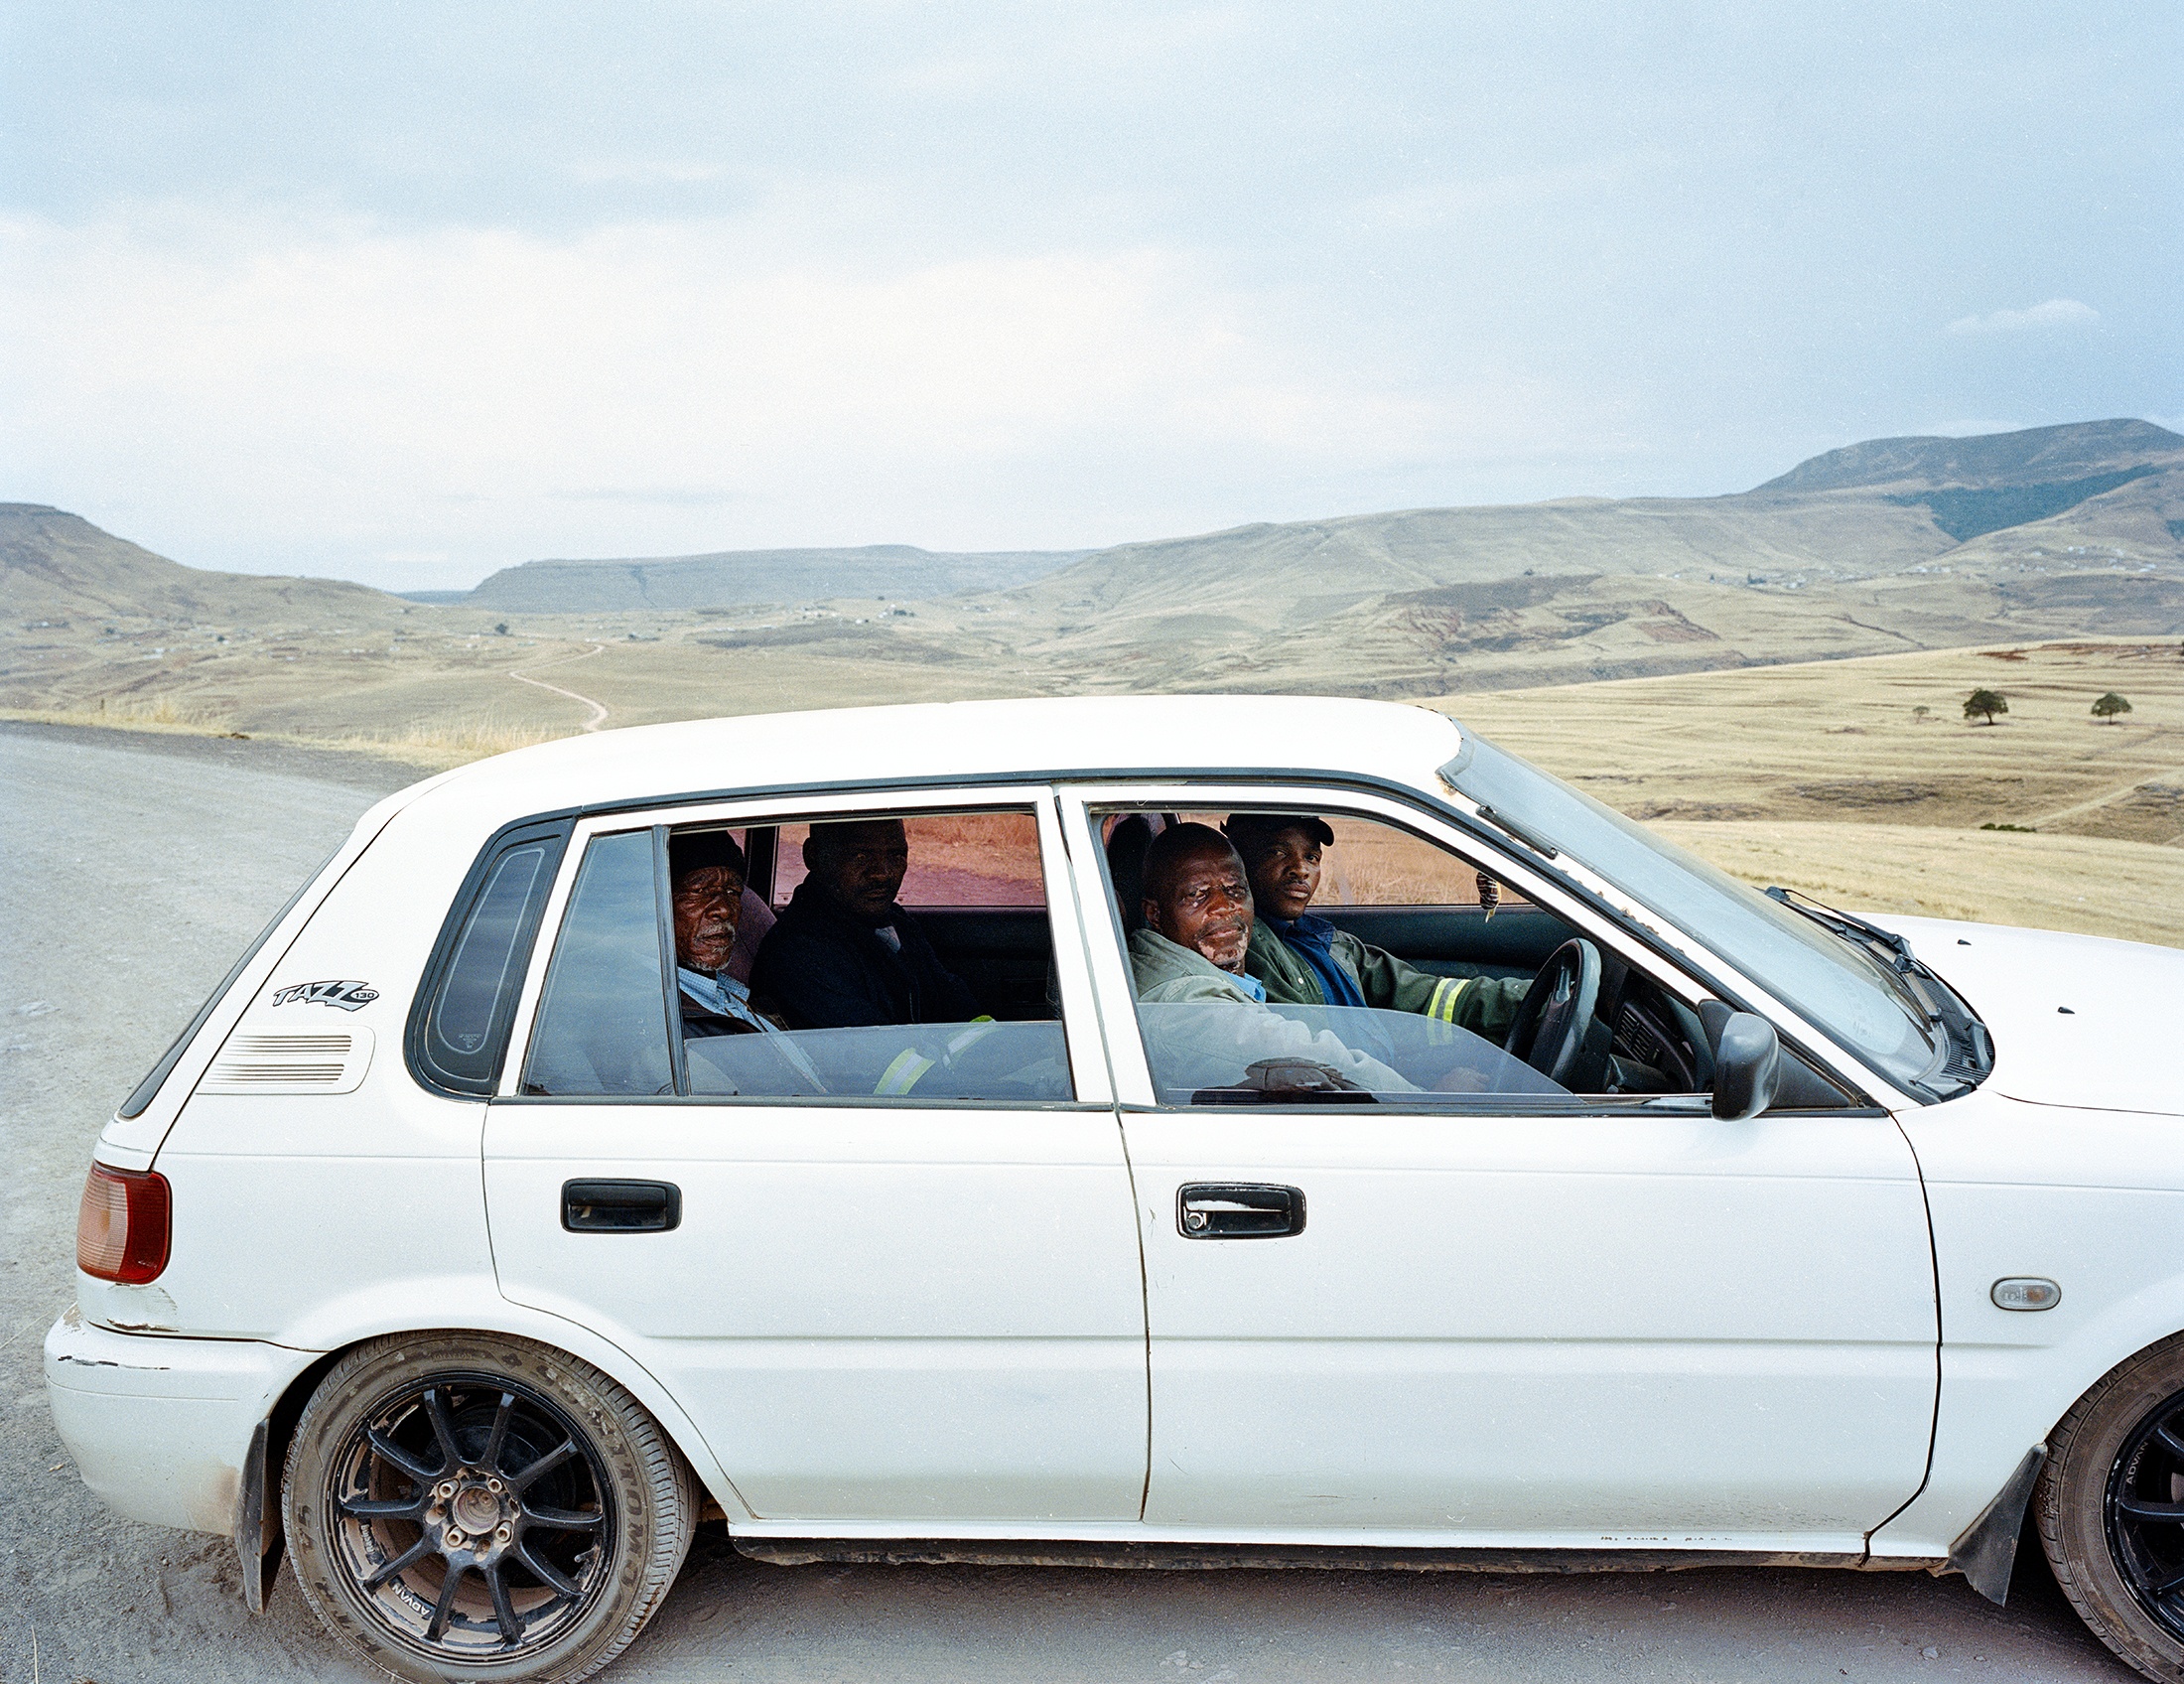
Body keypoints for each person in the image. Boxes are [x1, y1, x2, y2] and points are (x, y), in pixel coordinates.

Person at [1127, 822, 1415, 1093]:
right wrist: (1429, 1099)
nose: (1224, 907)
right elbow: (1323, 1063)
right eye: (1197, 895)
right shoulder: (1184, 1006)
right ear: (1155, 914)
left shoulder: (1181, 964)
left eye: (1235, 890)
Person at [1223, 812, 1529, 1042]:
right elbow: (1316, 1068)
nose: (1301, 869)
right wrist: (1422, 1094)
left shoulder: (1328, 942)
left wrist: (1528, 999)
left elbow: (1427, 995)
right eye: (1277, 852)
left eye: (1312, 857)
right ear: (1235, 859)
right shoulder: (1245, 953)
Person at [751, 818, 982, 1030]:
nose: (882, 874)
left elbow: (951, 1000)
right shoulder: (799, 954)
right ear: (813, 855)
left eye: (896, 855)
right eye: (860, 856)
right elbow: (882, 1060)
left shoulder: (894, 921)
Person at [668, 830, 795, 1040]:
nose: (725, 910)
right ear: (658, 904)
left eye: (732, 892)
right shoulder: (668, 1016)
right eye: (700, 891)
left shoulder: (730, 993)